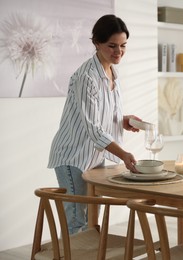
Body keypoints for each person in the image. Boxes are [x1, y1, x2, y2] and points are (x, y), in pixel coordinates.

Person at [48, 14, 141, 234]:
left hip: (95, 157)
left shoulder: (112, 74)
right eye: (112, 46)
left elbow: (101, 116)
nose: (118, 52)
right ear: (96, 43)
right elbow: (93, 129)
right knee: (77, 222)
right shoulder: (85, 77)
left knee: (91, 222)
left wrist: (123, 120)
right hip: (74, 156)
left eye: (123, 46)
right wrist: (123, 154)